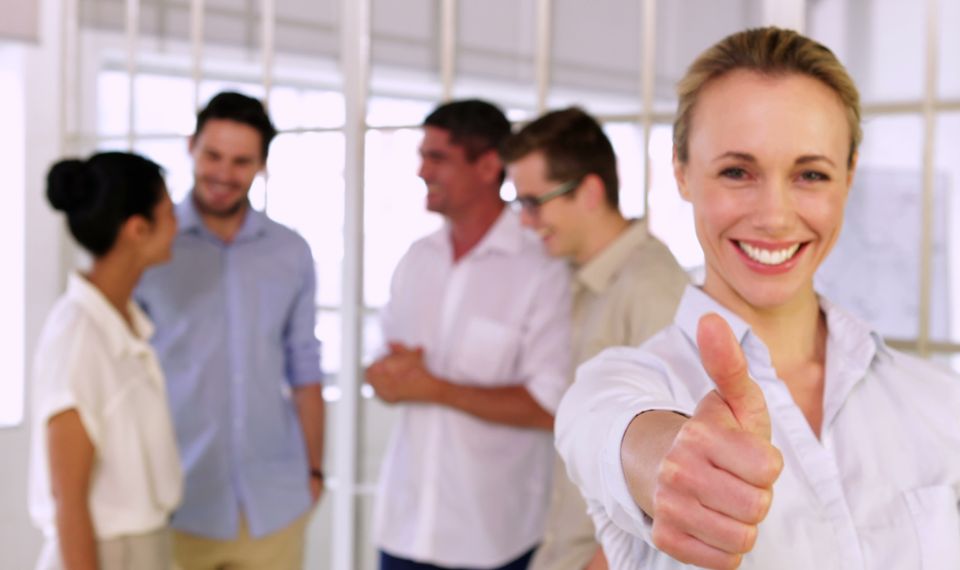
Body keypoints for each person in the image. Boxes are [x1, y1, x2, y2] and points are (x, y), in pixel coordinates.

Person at [555, 27, 960, 569]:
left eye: (810, 174)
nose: (774, 216)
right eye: (736, 171)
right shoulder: (621, 384)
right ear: (680, 173)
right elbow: (603, 429)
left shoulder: (945, 406)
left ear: (849, 176)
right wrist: (664, 461)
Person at [367, 99, 573, 570]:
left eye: (436, 157)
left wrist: (432, 386)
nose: (421, 171)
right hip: (403, 529)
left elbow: (549, 407)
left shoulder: (540, 269)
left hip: (495, 540)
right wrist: (387, 375)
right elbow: (380, 371)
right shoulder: (416, 260)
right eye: (422, 156)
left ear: (487, 166)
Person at [135, 91, 324, 570]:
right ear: (190, 147)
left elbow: (304, 367)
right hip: (177, 501)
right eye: (213, 155)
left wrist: (314, 472)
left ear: (261, 165)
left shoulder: (290, 252)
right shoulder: (150, 249)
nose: (223, 174)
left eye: (241, 161)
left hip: (274, 503)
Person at [501, 107, 689, 570]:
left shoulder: (650, 289)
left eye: (534, 202)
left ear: (588, 191)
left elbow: (674, 466)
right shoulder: (571, 277)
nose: (525, 222)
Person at [29, 152, 182, 570]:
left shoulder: (123, 322)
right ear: (137, 229)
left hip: (144, 547)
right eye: (169, 213)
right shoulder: (78, 335)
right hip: (104, 555)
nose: (178, 227)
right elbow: (69, 499)